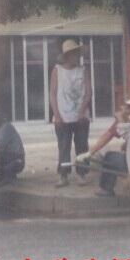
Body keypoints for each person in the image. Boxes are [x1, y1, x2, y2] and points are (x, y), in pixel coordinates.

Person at [74, 109, 130, 197]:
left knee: (110, 157)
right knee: (116, 155)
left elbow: (107, 135)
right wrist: (126, 144)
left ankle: (106, 189)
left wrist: (89, 153)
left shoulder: (127, 126)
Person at [50, 39, 92, 187]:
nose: (77, 56)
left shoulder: (83, 70)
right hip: (63, 117)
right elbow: (52, 94)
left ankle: (82, 174)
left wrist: (82, 110)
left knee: (82, 145)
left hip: (81, 117)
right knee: (64, 147)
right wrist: (56, 115)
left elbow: (88, 92)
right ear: (67, 56)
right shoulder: (57, 70)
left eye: (77, 53)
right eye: (74, 54)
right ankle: (64, 176)